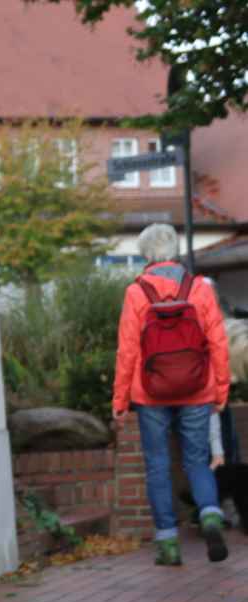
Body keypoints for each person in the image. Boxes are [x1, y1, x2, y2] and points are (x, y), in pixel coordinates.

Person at [111, 223, 231, 566]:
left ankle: (168, 545)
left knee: (157, 465)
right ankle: (210, 513)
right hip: (197, 389)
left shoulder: (136, 292)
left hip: (150, 393)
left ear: (145, 254)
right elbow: (218, 343)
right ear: (174, 250)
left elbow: (127, 350)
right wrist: (220, 390)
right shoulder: (199, 288)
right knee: (196, 460)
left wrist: (120, 399)